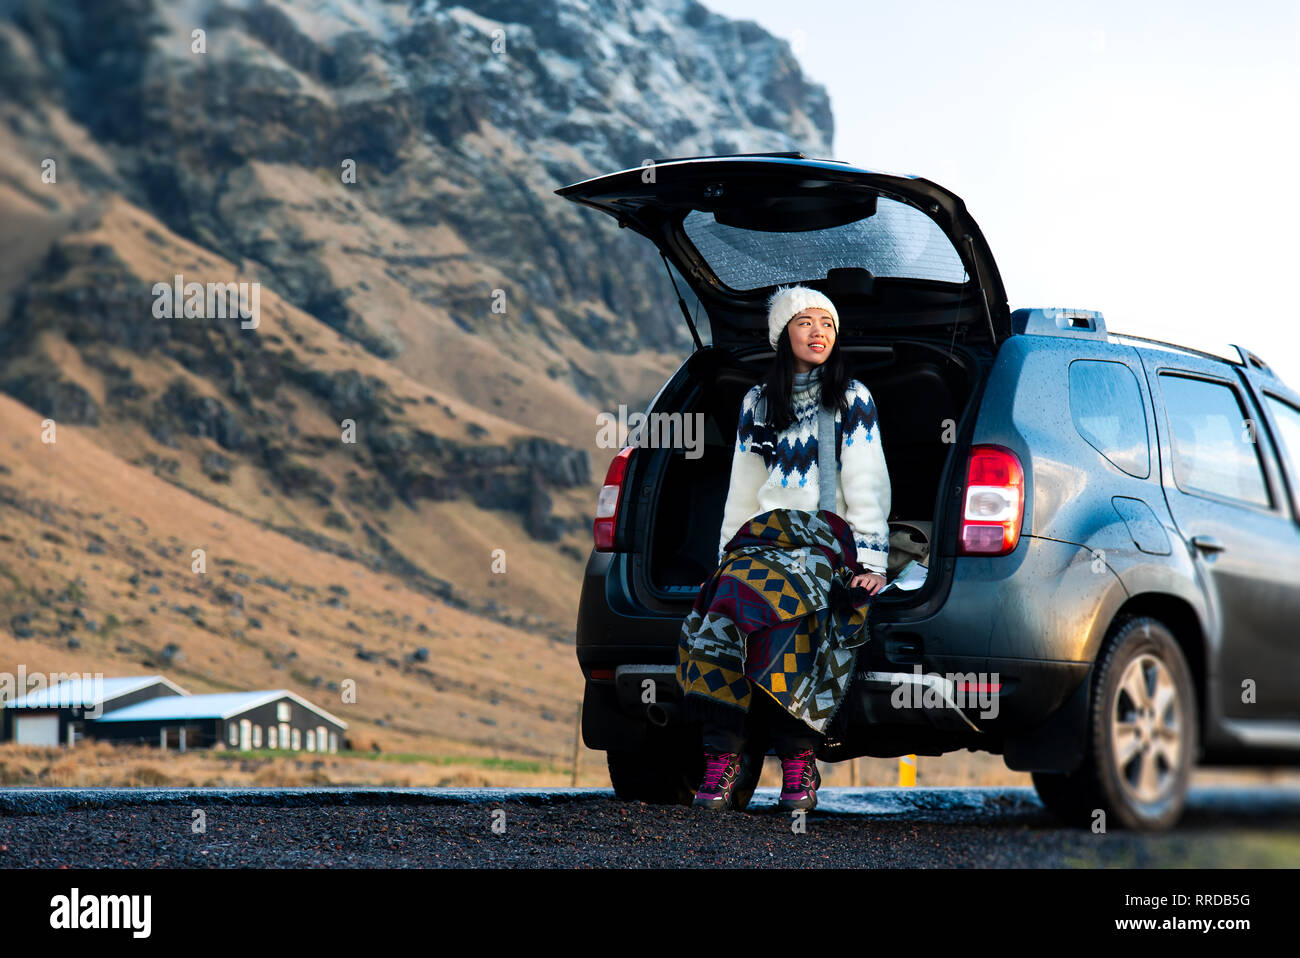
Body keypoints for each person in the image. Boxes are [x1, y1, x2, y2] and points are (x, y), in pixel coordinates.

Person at [676, 284, 891, 812]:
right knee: (720, 611)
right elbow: (744, 486)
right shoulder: (757, 401)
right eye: (805, 322)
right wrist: (726, 556)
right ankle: (722, 756)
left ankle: (799, 761)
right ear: (783, 334)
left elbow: (867, 482)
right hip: (763, 536)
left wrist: (873, 563)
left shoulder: (852, 399)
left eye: (827, 324)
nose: (819, 333)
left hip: (825, 538)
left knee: (790, 613)